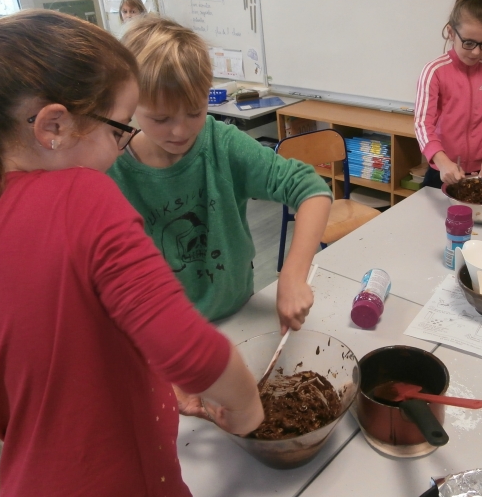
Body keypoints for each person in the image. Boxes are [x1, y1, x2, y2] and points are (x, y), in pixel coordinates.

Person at [0, 10, 264, 497]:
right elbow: (190, 351)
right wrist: (246, 404)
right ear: (55, 126)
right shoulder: (84, 195)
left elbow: (66, 358)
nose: (124, 144)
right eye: (119, 128)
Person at [107, 16, 332, 333]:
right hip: (163, 334)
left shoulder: (221, 144)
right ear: (130, 105)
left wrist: (293, 275)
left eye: (195, 112)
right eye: (161, 118)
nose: (180, 131)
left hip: (237, 314)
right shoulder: (111, 169)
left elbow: (311, 189)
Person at [415, 0, 482, 189]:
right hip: (443, 169)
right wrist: (442, 161)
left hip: (481, 169)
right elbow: (422, 124)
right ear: (451, 32)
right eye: (468, 42)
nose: (476, 52)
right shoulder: (434, 71)